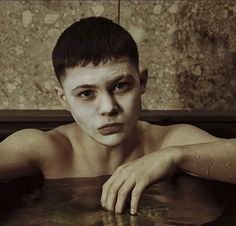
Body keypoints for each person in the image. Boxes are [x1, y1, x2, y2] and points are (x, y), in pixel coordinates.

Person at [0, 16, 236, 216]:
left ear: (141, 82)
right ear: (63, 98)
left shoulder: (168, 142)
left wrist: (173, 158)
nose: (107, 107)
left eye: (120, 86)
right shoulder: (46, 149)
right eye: (86, 93)